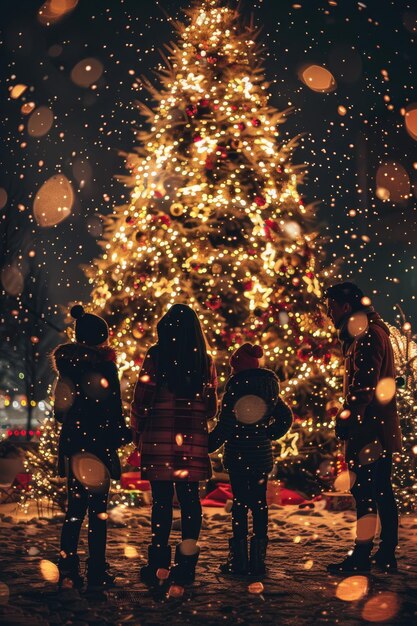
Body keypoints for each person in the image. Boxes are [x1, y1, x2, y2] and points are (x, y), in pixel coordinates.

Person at [131, 304, 218, 586]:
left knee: (161, 502)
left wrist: (137, 426)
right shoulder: (205, 361)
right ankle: (186, 564)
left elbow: (142, 396)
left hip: (159, 436)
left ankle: (158, 564)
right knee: (190, 501)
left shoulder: (157, 356)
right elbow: (210, 408)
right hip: (191, 438)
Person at [325, 282, 402, 574]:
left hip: (370, 430)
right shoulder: (372, 331)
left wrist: (349, 418)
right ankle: (385, 552)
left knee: (367, 491)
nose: (330, 314)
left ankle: (363, 554)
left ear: (346, 307)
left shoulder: (367, 335)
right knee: (381, 490)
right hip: (377, 427)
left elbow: (363, 388)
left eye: (332, 307)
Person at [52, 305, 131, 589]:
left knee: (75, 509)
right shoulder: (106, 366)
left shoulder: (67, 369)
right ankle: (96, 569)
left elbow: (60, 411)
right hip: (98, 444)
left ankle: (68, 569)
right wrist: (123, 434)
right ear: (102, 338)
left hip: (75, 444)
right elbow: (114, 408)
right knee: (98, 511)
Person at [208, 343, 293, 577]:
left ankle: (239, 559)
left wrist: (207, 444)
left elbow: (225, 425)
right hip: (260, 455)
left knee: (239, 504)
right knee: (259, 504)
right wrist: (269, 433)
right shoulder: (269, 386)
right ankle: (258, 559)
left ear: (237, 367)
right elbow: (285, 417)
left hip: (238, 454)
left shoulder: (236, 387)